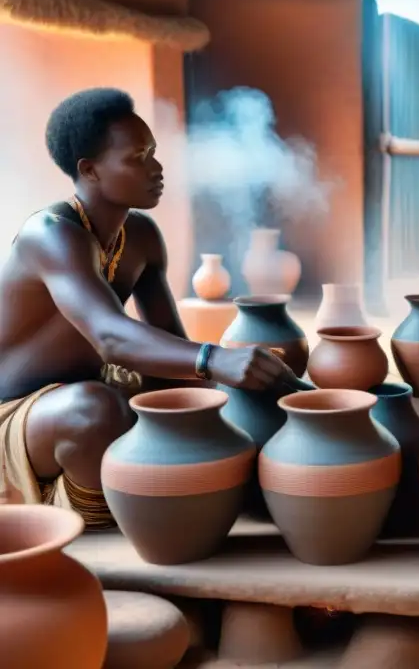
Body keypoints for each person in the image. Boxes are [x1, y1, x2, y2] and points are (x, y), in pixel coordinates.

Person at [0, 88, 298, 528]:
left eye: (153, 152)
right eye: (137, 157)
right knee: (95, 410)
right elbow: (111, 337)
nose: (157, 169)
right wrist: (215, 359)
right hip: (20, 414)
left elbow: (167, 359)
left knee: (211, 399)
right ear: (90, 171)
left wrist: (240, 382)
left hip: (95, 384)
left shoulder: (141, 236)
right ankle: (92, 522)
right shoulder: (51, 235)